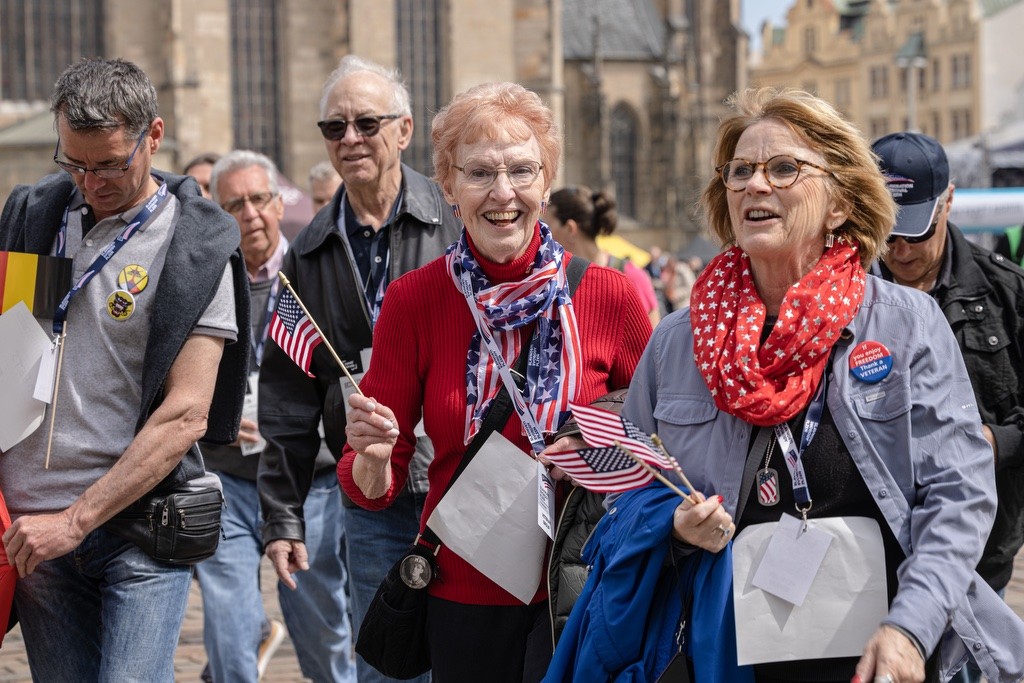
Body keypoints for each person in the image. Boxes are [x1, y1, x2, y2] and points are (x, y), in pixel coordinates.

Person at [550, 86, 1024, 683]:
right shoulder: (677, 341)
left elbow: (959, 494)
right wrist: (672, 525)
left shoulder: (906, 325)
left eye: (783, 169)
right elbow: (627, 494)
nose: (755, 184)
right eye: (740, 171)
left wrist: (911, 628)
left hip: (881, 656)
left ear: (838, 204)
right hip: (722, 656)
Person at [339, 81, 652, 682]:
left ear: (546, 182)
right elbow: (373, 485)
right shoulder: (415, 300)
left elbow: (660, 443)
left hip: (587, 586)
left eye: (522, 170)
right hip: (465, 597)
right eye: (480, 173)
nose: (503, 192)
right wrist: (372, 457)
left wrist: (598, 444)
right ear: (449, 187)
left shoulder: (609, 297)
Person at [0, 57, 248, 681]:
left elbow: (186, 414)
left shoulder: (194, 244)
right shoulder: (35, 218)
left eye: (111, 164)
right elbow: (9, 363)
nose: (92, 182)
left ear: (153, 136)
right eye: (75, 163)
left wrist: (75, 520)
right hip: (33, 534)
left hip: (140, 527)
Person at [257, 55, 461, 683]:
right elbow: (288, 397)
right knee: (385, 661)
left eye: (367, 124)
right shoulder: (310, 248)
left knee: (471, 650)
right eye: (334, 127)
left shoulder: (455, 216)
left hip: (460, 474)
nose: (350, 139)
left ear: (403, 130)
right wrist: (283, 517)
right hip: (371, 486)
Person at [872, 131, 1024, 683]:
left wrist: (993, 443)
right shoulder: (845, 297)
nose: (900, 251)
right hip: (878, 554)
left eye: (916, 232)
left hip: (981, 553)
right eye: (886, 235)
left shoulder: (1007, 293)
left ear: (949, 201)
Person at [198, 150, 355, 682]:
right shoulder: (204, 283)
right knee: (228, 626)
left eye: (259, 199)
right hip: (229, 479)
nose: (250, 214)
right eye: (234, 204)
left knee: (321, 630)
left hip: (306, 479)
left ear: (278, 203)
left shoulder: (313, 275)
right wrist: (214, 421)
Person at [546, 186, 660, 326]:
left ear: (570, 229)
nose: (543, 233)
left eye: (547, 225)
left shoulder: (631, 276)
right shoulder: (552, 277)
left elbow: (653, 337)